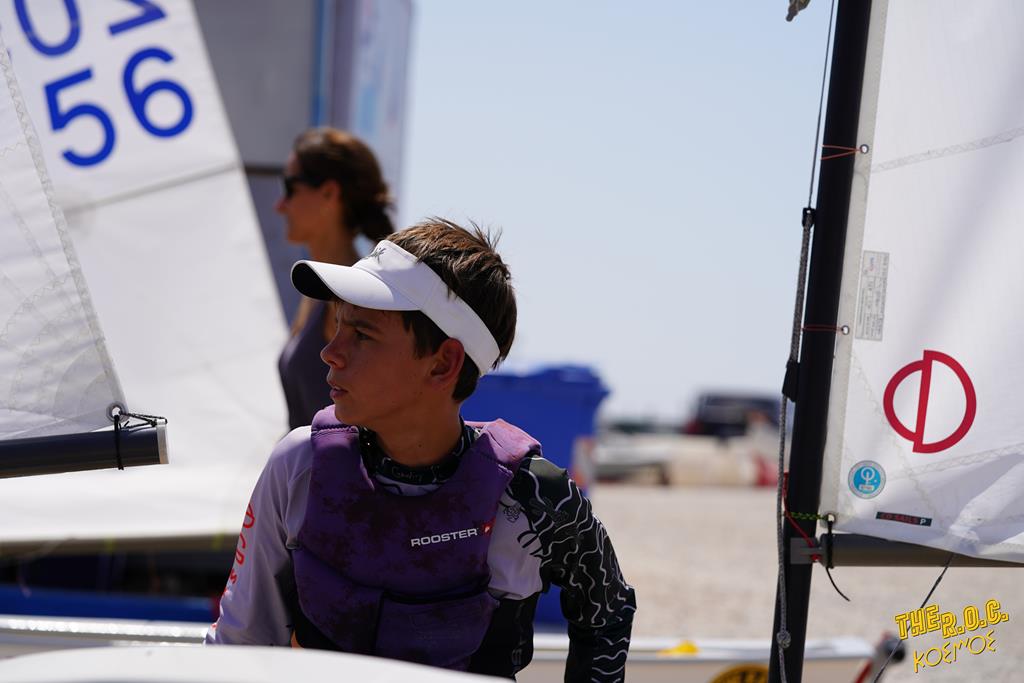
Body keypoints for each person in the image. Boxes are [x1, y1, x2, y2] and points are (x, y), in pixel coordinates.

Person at [207, 219, 636, 680]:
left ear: (443, 363)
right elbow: (239, 642)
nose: (330, 352)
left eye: (362, 334)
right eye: (337, 325)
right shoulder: (298, 465)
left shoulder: (533, 499)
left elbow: (608, 610)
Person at [276, 127, 394, 430]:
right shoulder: (318, 290)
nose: (280, 205)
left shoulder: (348, 296)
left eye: (290, 188)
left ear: (329, 193)